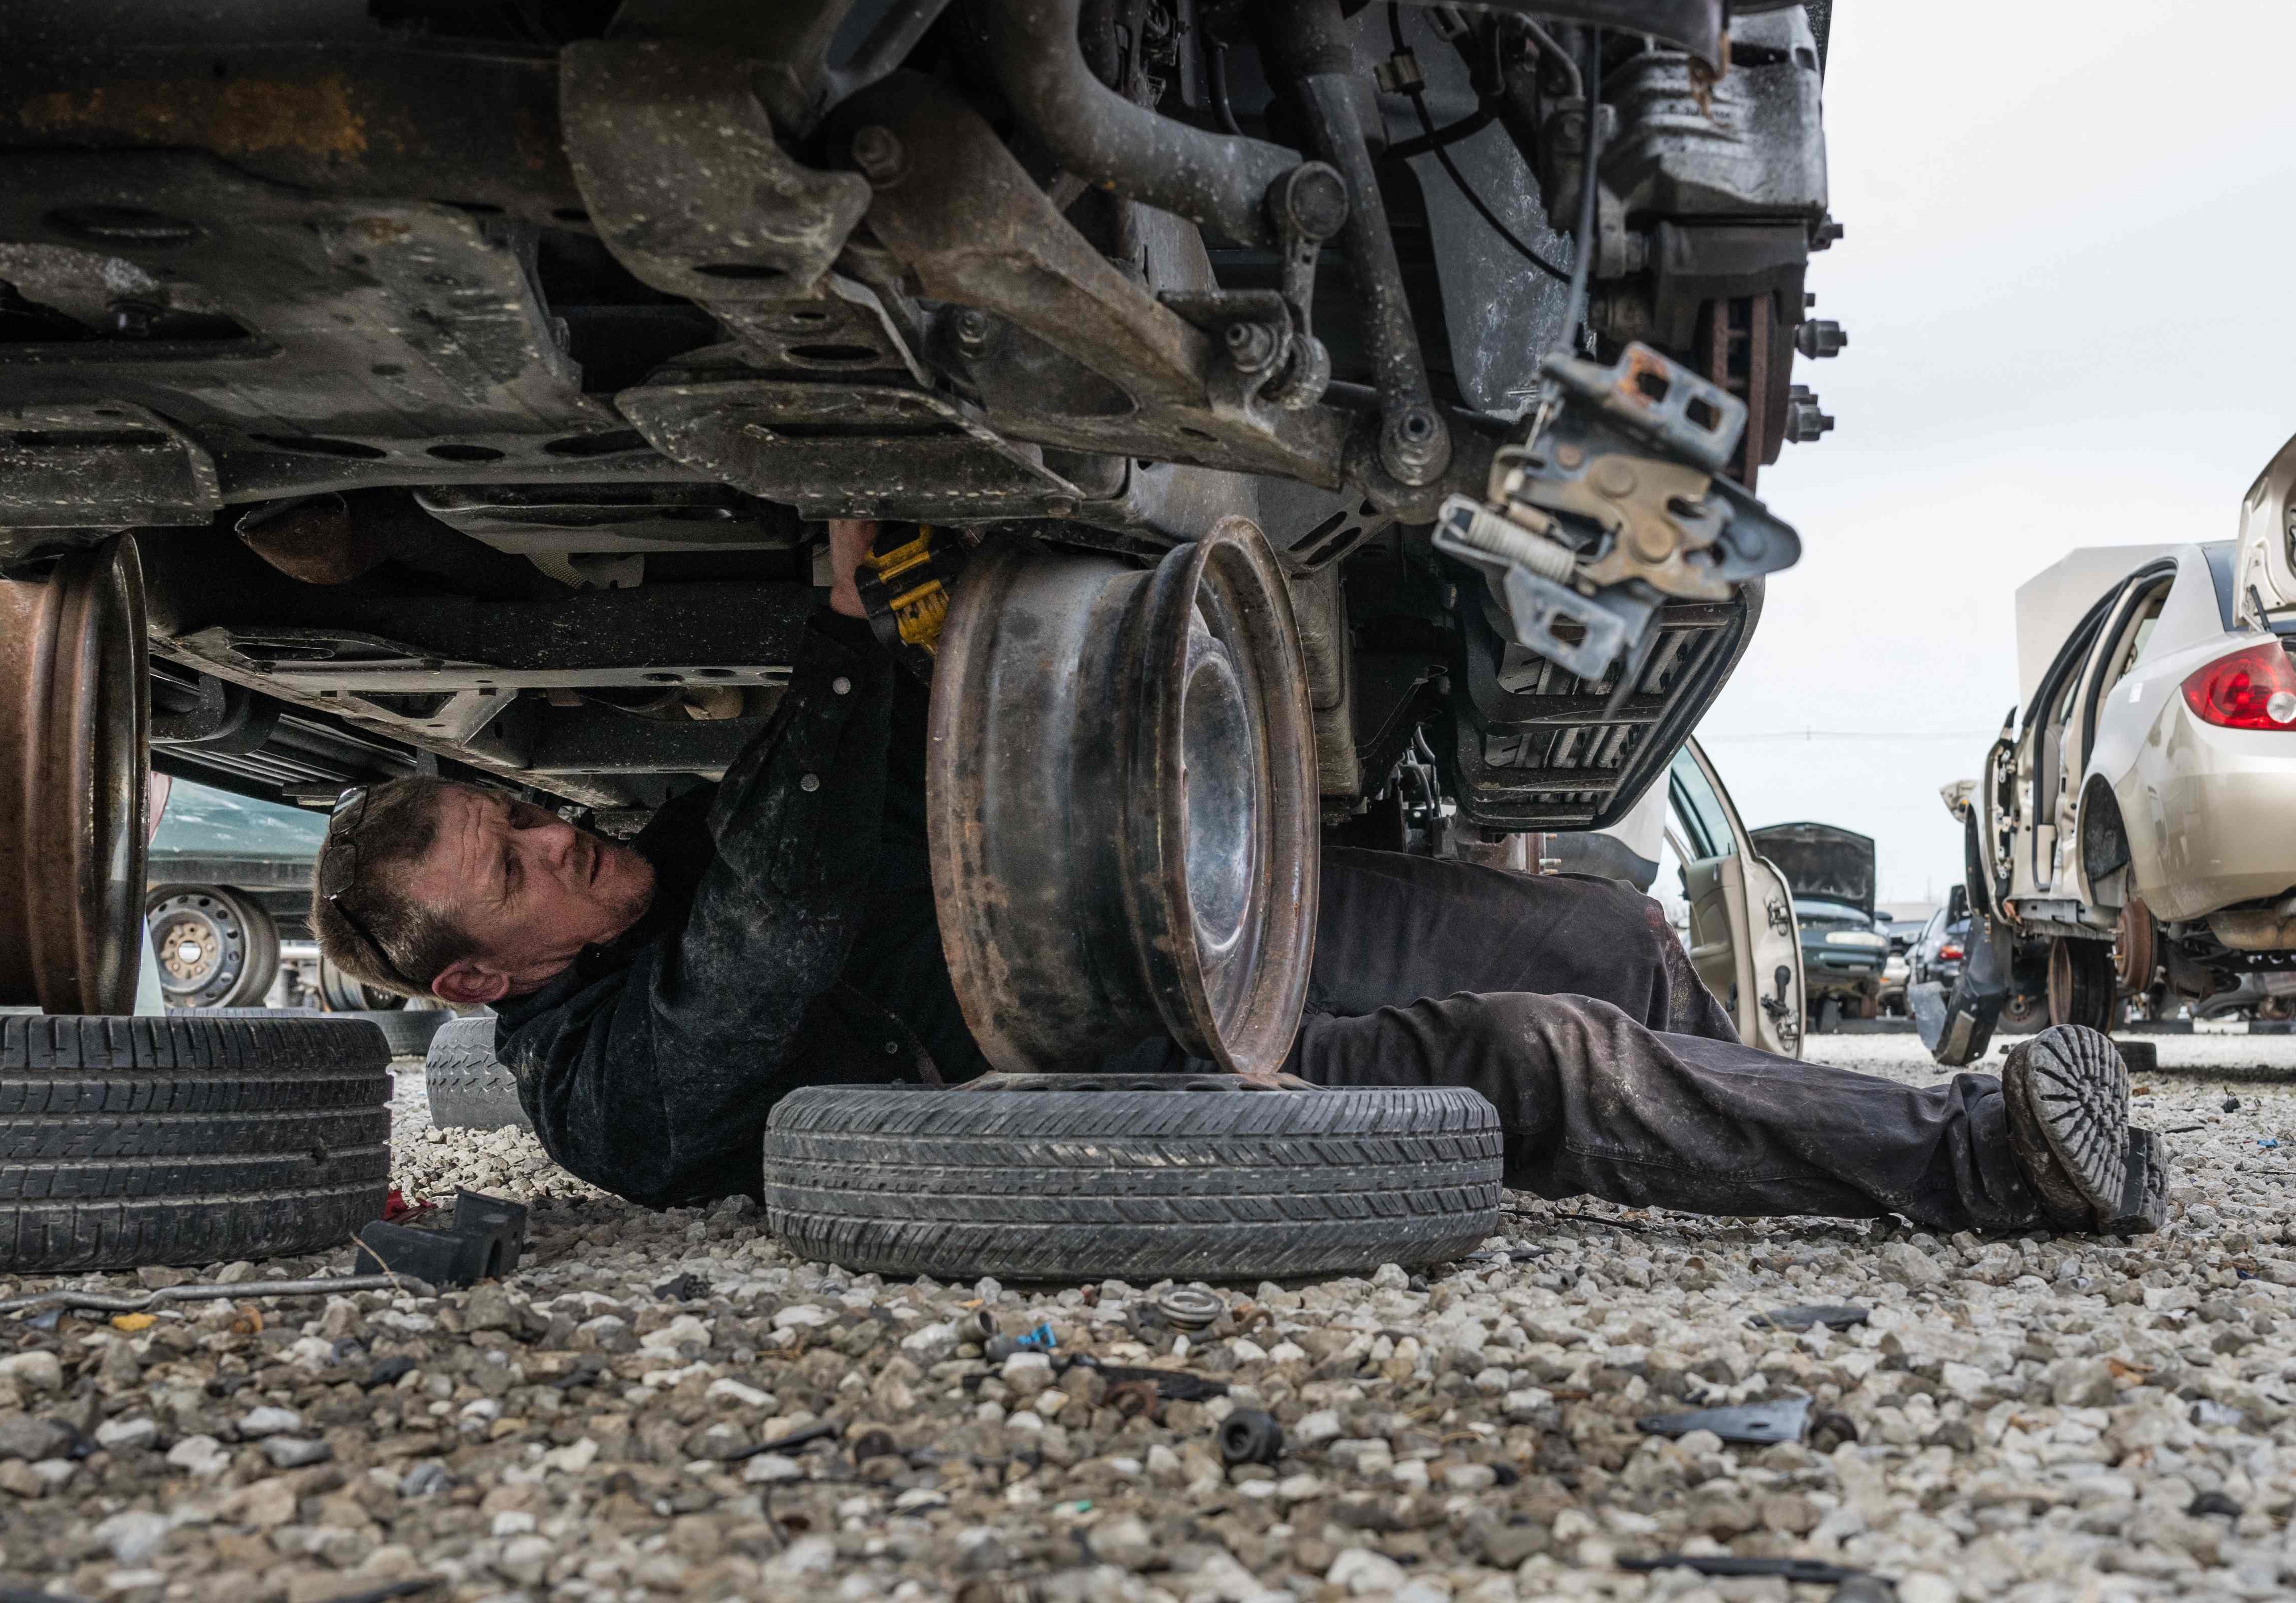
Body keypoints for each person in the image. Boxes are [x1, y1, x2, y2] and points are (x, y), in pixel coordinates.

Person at [315, 524, 2165, 1238]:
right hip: (1096, 1049)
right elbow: (786, 934)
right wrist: (838, 638)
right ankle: (1984, 1161)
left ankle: (1830, 1133)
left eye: (523, 811)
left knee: (1598, 929)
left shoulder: (654, 847)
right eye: (515, 863)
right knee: (1533, 1058)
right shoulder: (594, 1095)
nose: (555, 830)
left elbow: (848, 806)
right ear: (479, 984)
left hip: (1151, 886)